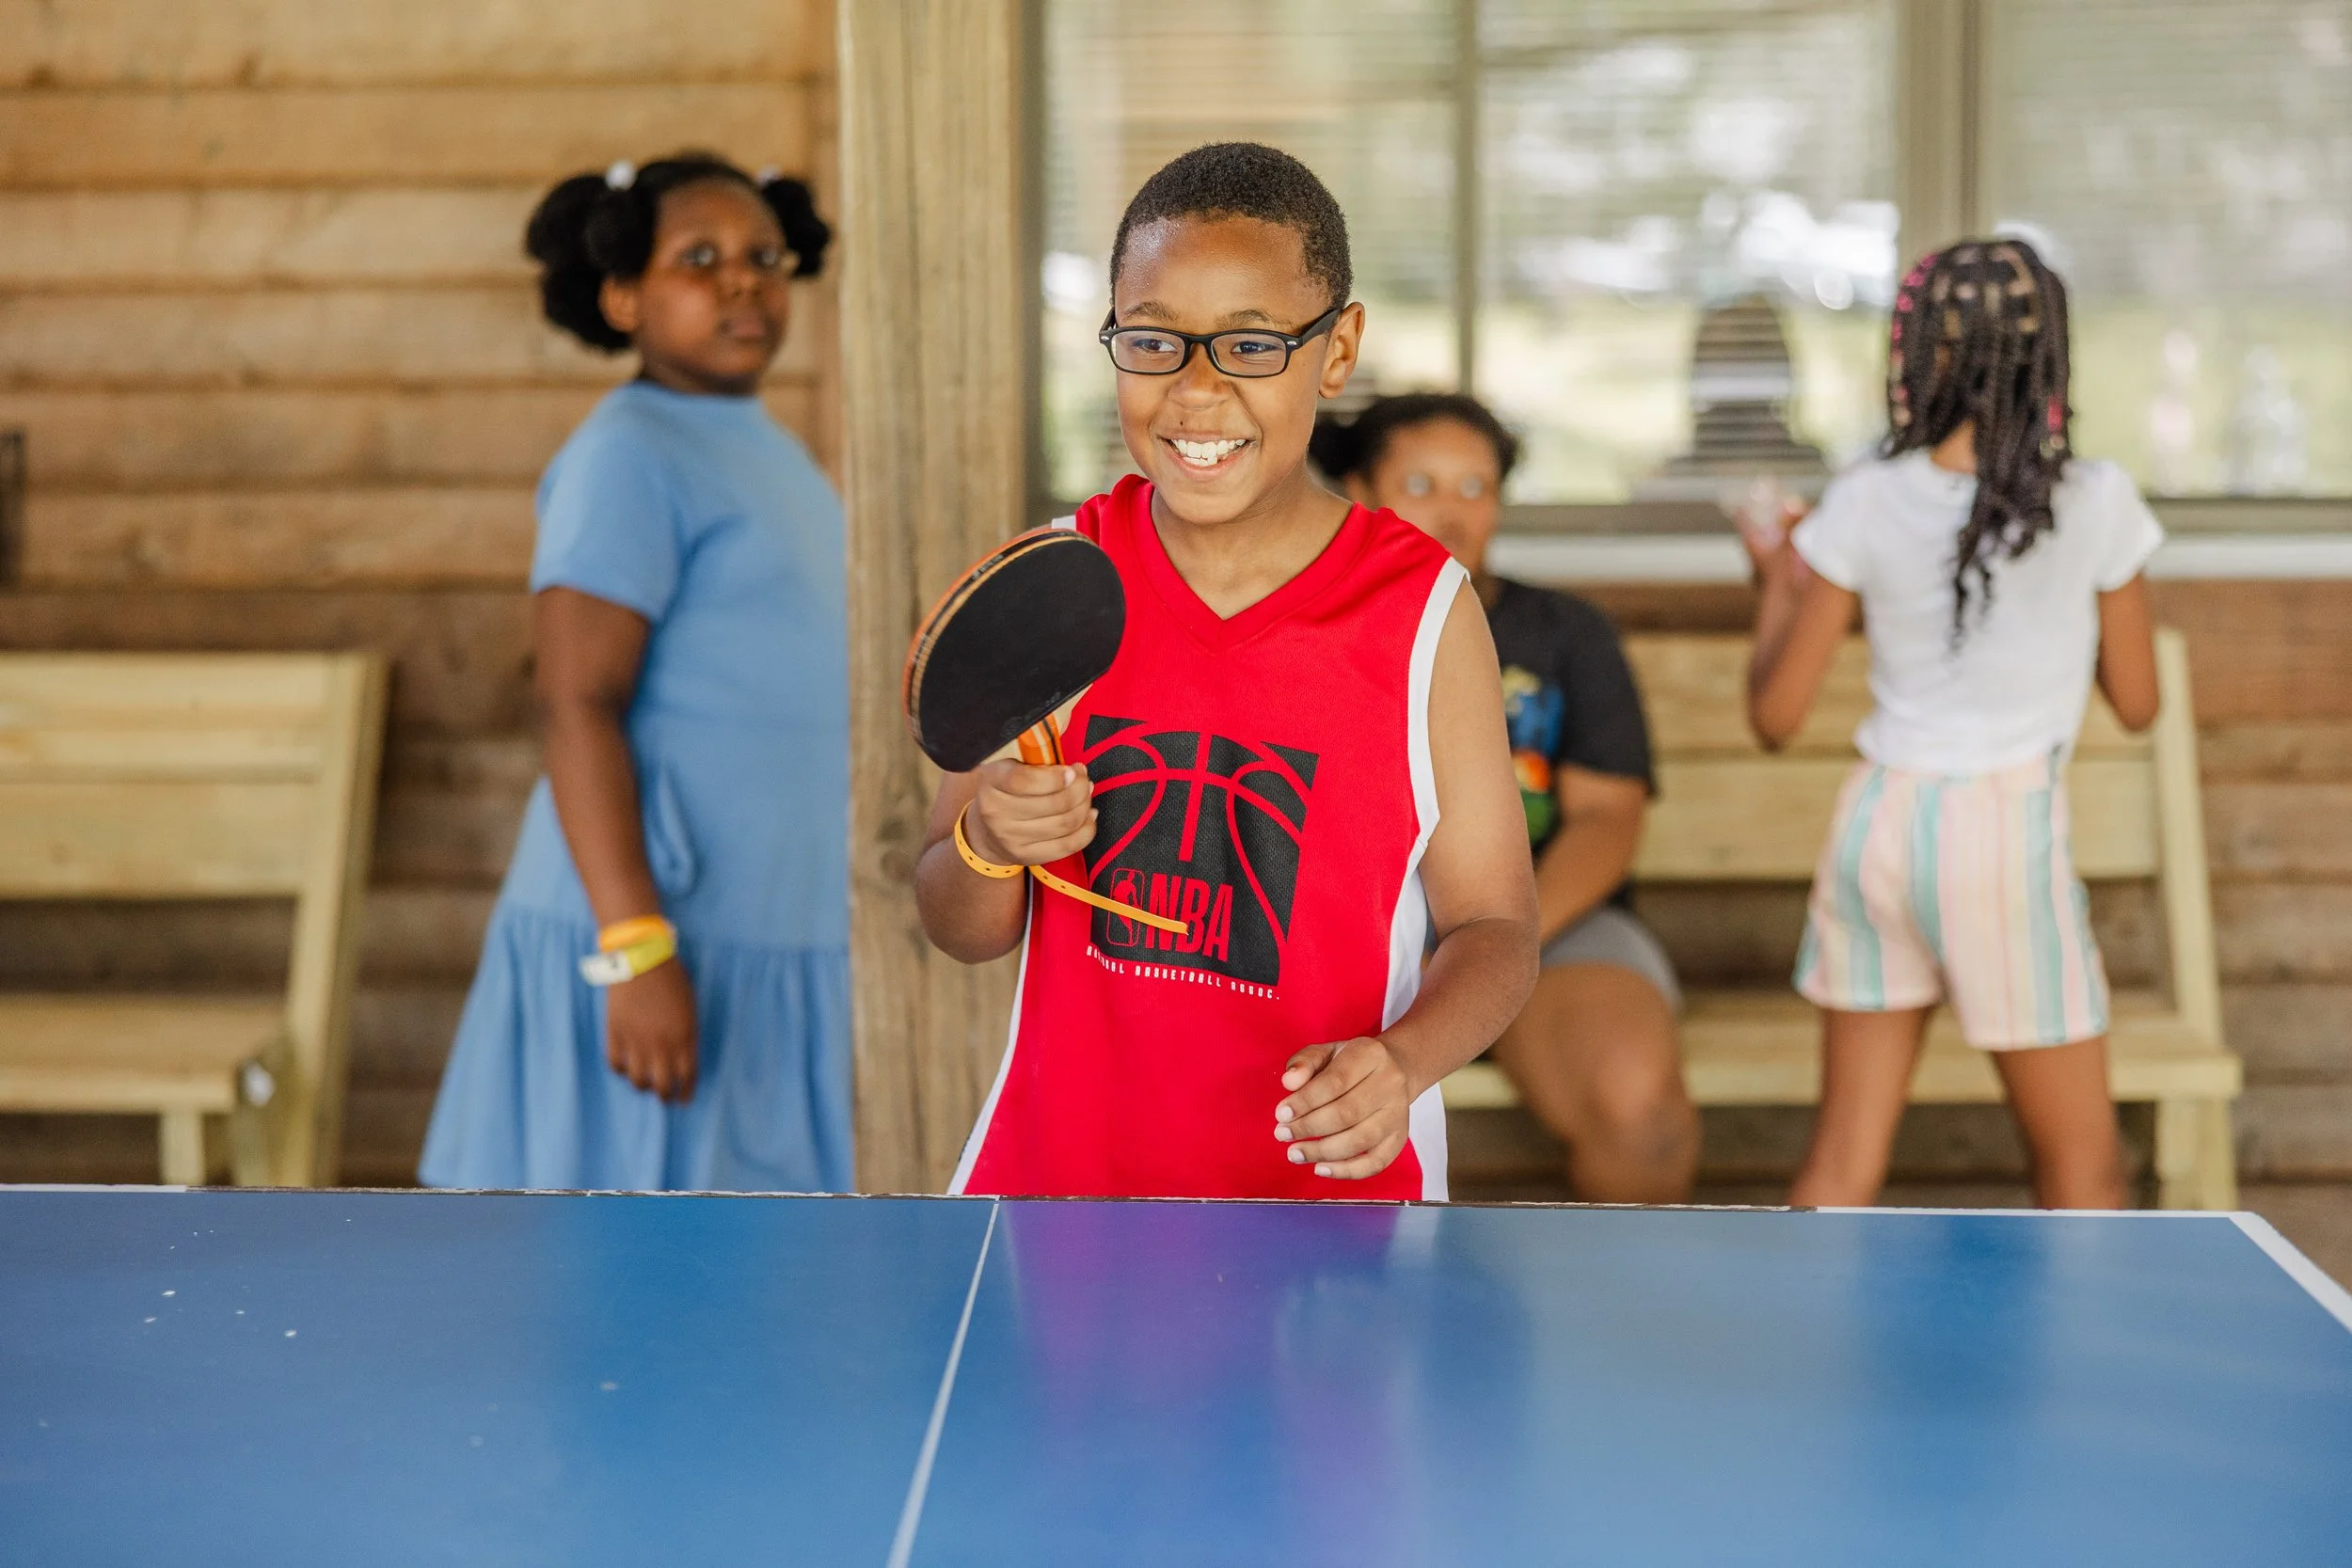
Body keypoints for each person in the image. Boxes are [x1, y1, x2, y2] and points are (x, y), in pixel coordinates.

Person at [919, 142, 1540, 1201]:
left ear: (1336, 350)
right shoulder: (1058, 582)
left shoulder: (1424, 614)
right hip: (1059, 1194)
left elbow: (1496, 927)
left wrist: (1406, 1060)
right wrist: (987, 843)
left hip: (1331, 1212)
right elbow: (954, 920)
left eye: (1250, 344)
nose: (1196, 393)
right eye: (1153, 340)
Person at [421, 153, 850, 1192]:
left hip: (766, 931)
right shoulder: (629, 454)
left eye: (763, 257)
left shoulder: (767, 449)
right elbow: (576, 700)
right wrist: (636, 948)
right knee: (624, 1293)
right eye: (698, 258)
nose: (743, 281)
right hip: (658, 943)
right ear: (623, 296)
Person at [1745, 238, 2161, 1211]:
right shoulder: (2094, 501)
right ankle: (2087, 1365)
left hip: (1877, 825)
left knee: (1842, 1162)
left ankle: (1805, 1358)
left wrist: (1776, 579)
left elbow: (1773, 715)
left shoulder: (1862, 498)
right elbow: (2138, 702)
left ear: (1918, 352)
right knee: (2081, 1164)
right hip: (1998, 834)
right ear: (2049, 353)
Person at [1311, 394, 1698, 1203]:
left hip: (1547, 928)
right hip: (1345, 937)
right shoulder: (1304, 625)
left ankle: (1601, 1329)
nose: (1451, 513)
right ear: (1357, 488)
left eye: (1475, 487)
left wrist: (1485, 951)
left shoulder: (1567, 633)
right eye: (1420, 483)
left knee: (1644, 1122)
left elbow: (1605, 821)